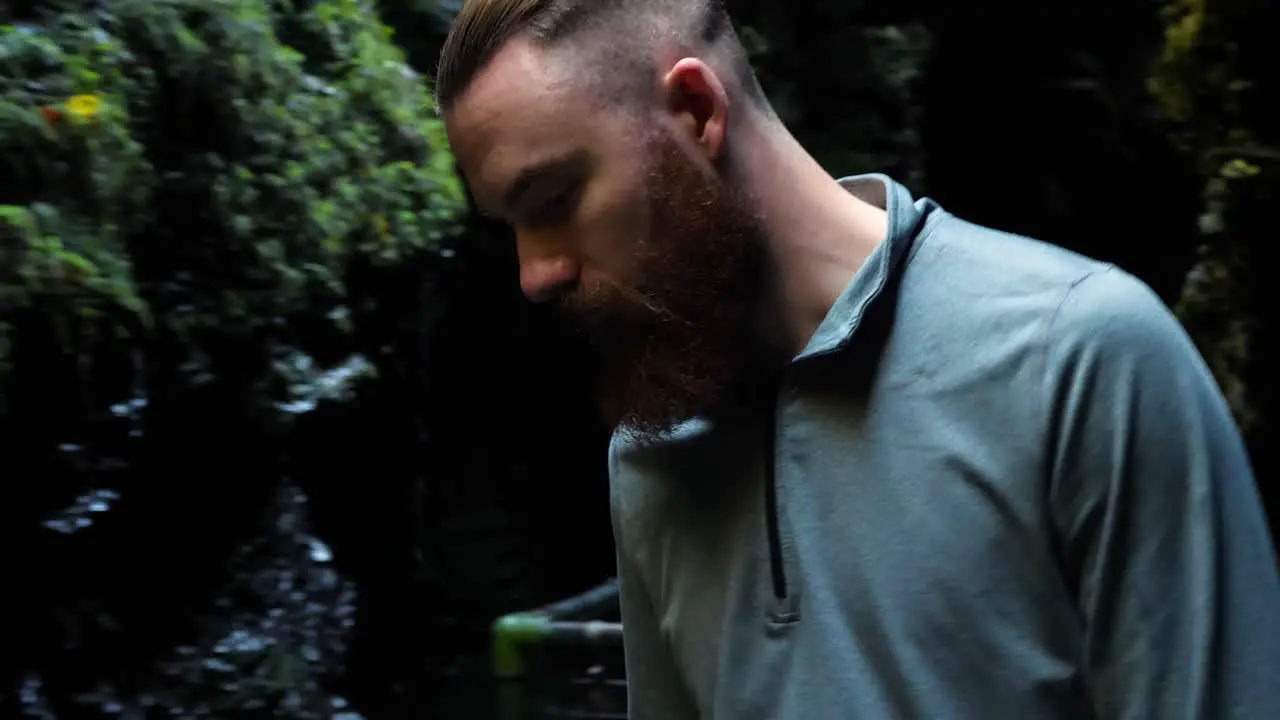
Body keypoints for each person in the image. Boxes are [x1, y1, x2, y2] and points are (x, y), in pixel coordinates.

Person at [435, 1, 1280, 717]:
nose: (533, 274)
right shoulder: (651, 456)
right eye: (509, 225)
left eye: (552, 201)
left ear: (695, 111)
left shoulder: (1080, 358)